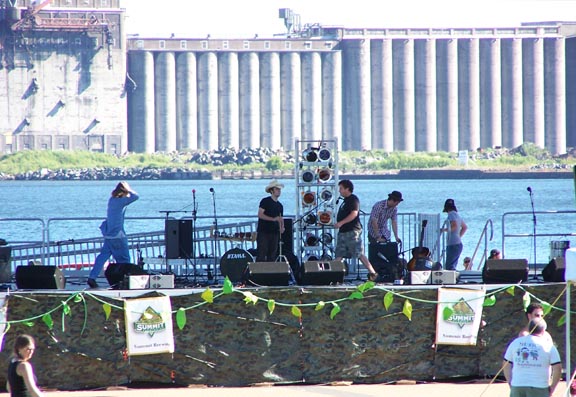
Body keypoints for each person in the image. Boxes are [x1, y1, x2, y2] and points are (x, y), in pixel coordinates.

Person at [88, 181, 139, 288]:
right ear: (123, 191)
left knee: (102, 257)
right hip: (118, 235)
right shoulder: (121, 201)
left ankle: (92, 277)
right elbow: (136, 197)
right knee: (124, 260)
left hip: (109, 235)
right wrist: (128, 189)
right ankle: (124, 280)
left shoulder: (112, 200)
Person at [503, 318, 562, 397]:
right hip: (539, 387)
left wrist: (510, 382)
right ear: (544, 330)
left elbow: (506, 364)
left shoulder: (516, 343)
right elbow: (557, 368)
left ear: (529, 329)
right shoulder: (549, 346)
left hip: (518, 385)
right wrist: (553, 387)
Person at [334, 179, 379, 281]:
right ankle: (334, 275)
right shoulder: (344, 201)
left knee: (358, 253)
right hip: (343, 232)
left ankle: (373, 273)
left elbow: (354, 214)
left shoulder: (353, 200)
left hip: (352, 231)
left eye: (341, 188)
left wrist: (341, 222)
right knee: (339, 253)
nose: (339, 191)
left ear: (347, 189)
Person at [256, 179, 285, 262]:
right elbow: (260, 214)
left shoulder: (280, 205)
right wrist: (273, 219)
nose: (279, 191)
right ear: (271, 191)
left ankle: (270, 273)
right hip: (264, 232)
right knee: (261, 253)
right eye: (277, 189)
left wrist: (282, 227)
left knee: (272, 255)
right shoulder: (265, 201)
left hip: (275, 232)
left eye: (279, 189)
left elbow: (280, 218)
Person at [441, 198, 467, 271]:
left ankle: (450, 281)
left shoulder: (451, 214)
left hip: (453, 245)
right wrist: (459, 236)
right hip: (457, 244)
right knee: (452, 265)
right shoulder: (457, 215)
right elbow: (465, 227)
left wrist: (443, 230)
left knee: (449, 267)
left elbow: (454, 226)